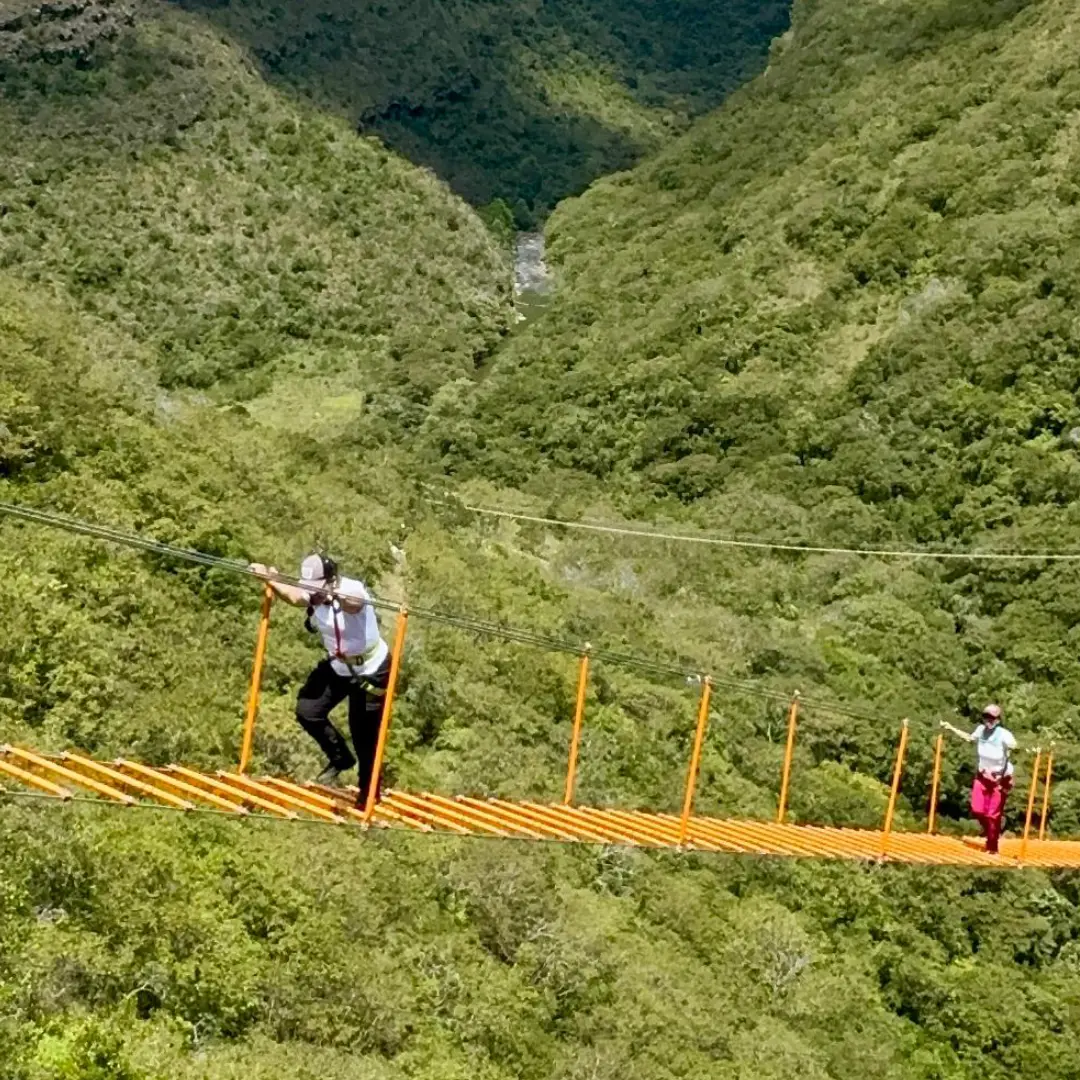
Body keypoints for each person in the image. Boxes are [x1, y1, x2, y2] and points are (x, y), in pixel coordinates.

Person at [249, 554, 389, 802]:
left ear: (332, 580)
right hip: (339, 665)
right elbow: (293, 597)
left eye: (318, 587)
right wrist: (270, 579)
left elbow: (354, 604)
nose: (313, 593)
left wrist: (335, 596)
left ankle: (369, 795)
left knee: (364, 734)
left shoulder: (350, 589)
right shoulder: (314, 593)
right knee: (308, 710)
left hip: (370, 668)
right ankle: (340, 757)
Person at [940, 704, 1018, 854]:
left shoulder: (1003, 734)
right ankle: (990, 832)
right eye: (986, 717)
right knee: (977, 809)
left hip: (999, 779)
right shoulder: (981, 731)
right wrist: (951, 728)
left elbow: (1014, 745)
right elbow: (970, 738)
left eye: (992, 718)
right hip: (982, 777)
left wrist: (1011, 748)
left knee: (992, 815)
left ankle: (992, 845)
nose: (988, 720)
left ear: (998, 720)